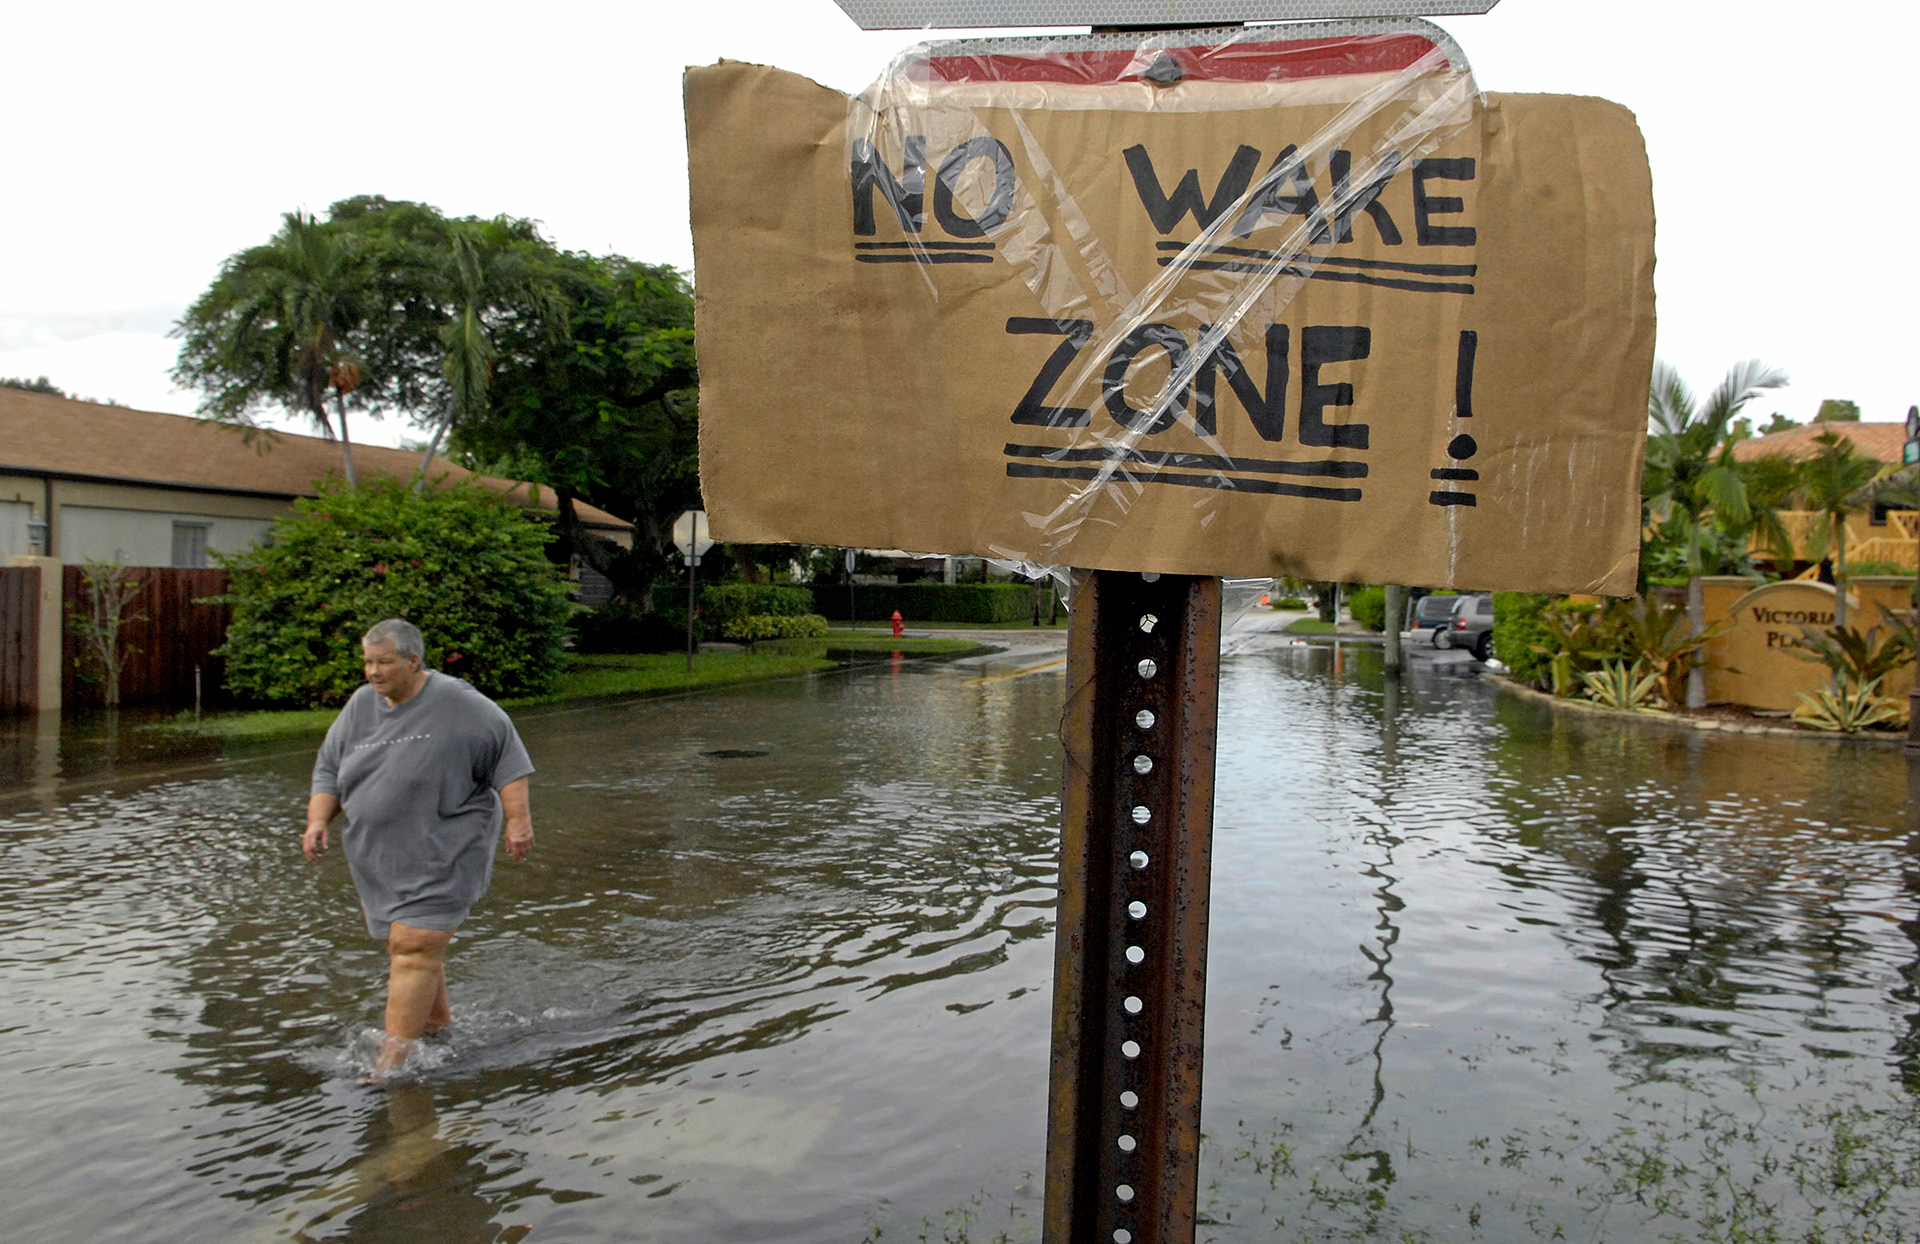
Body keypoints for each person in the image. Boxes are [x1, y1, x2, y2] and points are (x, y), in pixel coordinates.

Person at [303, 618, 535, 1079]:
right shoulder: (360, 706)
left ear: (413, 660)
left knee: (414, 944)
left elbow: (506, 757)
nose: (373, 671)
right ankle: (438, 1028)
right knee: (407, 946)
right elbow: (330, 767)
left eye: (383, 661)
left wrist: (519, 821)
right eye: (367, 661)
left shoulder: (460, 704)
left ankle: (393, 1062)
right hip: (382, 855)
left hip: (446, 845)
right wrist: (316, 821)